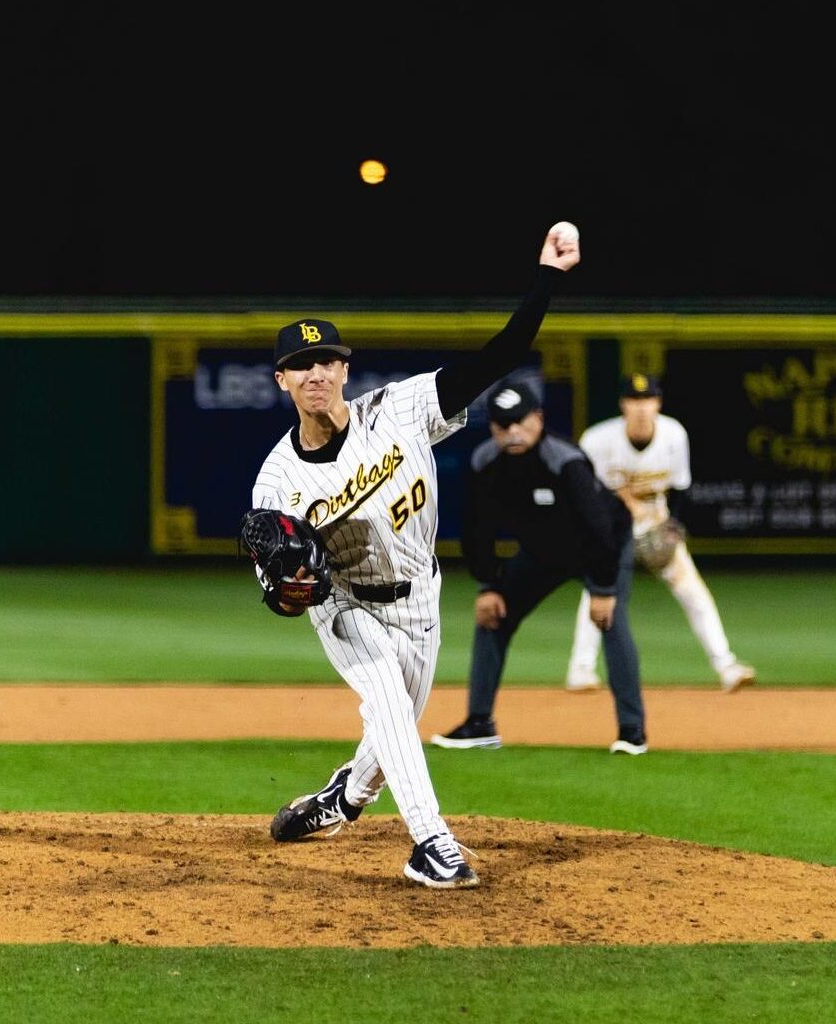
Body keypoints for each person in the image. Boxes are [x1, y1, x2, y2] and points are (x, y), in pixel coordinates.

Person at [247, 222, 581, 890]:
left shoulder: (401, 408)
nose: (318, 372)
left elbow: (503, 353)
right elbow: (280, 591)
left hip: (421, 596)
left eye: (329, 360)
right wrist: (292, 589)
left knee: (391, 735)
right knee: (391, 712)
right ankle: (432, 844)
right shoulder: (276, 483)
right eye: (302, 365)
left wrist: (547, 276)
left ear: (344, 369)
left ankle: (340, 802)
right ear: (282, 379)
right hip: (346, 606)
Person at [429, 379, 650, 755]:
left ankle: (632, 733)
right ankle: (479, 723)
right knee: (491, 617)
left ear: (538, 418)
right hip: (542, 552)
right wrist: (489, 585)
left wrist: (603, 591)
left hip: (599, 544)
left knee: (610, 620)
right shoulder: (486, 462)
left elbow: (599, 528)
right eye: (503, 424)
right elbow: (477, 530)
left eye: (520, 421)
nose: (513, 431)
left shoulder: (565, 460)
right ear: (493, 426)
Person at [565, 374, 757, 694]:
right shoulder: (597, 440)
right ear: (623, 405)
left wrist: (671, 526)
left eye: (648, 400)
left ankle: (726, 666)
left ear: (658, 403)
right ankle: (580, 670)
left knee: (693, 592)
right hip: (610, 529)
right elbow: (584, 494)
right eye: (635, 401)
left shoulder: (673, 434)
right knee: (598, 594)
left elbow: (680, 486)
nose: (641, 408)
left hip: (655, 520)